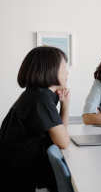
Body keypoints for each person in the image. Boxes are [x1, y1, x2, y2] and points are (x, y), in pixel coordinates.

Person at [0, 46, 71, 191]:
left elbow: (60, 134)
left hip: (17, 172)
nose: (67, 72)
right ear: (49, 69)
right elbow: (64, 142)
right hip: (18, 178)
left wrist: (65, 104)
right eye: (64, 66)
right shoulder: (40, 98)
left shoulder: (38, 94)